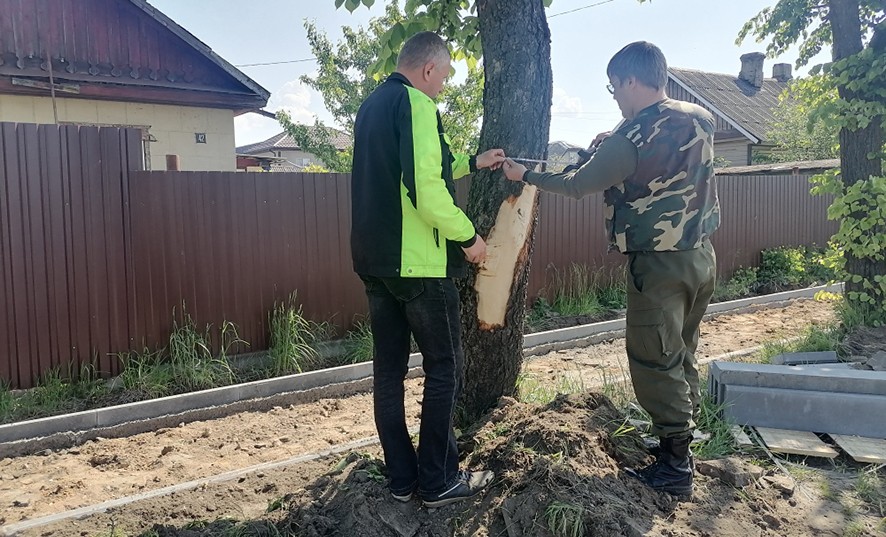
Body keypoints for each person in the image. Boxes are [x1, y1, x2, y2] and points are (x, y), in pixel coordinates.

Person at [502, 41, 720, 496]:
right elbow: (652, 151)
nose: (615, 96)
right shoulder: (701, 117)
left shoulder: (632, 136)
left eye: (614, 87)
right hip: (700, 258)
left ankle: (675, 468)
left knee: (653, 359)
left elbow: (579, 183)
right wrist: (616, 139)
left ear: (630, 80)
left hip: (658, 266)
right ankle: (678, 446)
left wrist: (526, 176)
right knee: (681, 352)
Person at [350, 31, 505, 508]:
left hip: (375, 262)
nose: (444, 87)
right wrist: (469, 239)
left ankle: (402, 479)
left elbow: (421, 169)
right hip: (418, 264)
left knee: (389, 372)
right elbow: (426, 191)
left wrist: (473, 164)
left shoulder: (372, 106)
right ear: (427, 70)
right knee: (446, 368)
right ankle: (438, 481)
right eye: (445, 77)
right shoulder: (416, 104)